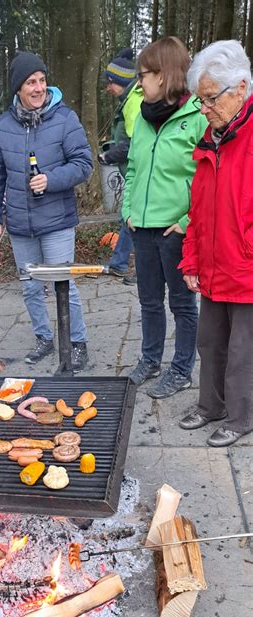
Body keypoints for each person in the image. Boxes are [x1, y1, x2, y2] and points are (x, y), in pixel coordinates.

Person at [0, 51, 93, 370]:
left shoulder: (64, 119)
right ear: (18, 88)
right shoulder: (4, 126)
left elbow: (83, 164)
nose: (38, 88)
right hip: (20, 224)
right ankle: (44, 338)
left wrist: (51, 179)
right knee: (30, 285)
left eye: (42, 80)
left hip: (57, 220)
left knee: (64, 284)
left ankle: (76, 343)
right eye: (31, 82)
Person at [123, 37, 207, 398]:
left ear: (164, 74)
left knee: (182, 303)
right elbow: (132, 167)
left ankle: (182, 369)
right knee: (148, 301)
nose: (139, 82)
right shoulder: (142, 118)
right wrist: (127, 210)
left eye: (143, 74)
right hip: (141, 227)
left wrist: (187, 223)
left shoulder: (198, 118)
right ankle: (150, 359)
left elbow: (208, 178)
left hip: (176, 230)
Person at [178, 40, 252, 447]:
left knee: (244, 351)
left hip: (246, 265)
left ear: (240, 89)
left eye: (209, 99)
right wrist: (191, 258)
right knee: (210, 341)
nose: (203, 109)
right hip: (213, 263)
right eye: (200, 100)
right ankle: (211, 405)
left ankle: (242, 416)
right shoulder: (211, 138)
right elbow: (199, 208)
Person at [99, 48, 142, 286]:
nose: (108, 88)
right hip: (135, 171)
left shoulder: (135, 101)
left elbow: (135, 142)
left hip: (141, 171)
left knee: (134, 218)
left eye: (111, 83)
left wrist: (110, 156)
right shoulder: (129, 98)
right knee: (129, 216)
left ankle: (133, 267)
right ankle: (120, 263)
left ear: (122, 81)